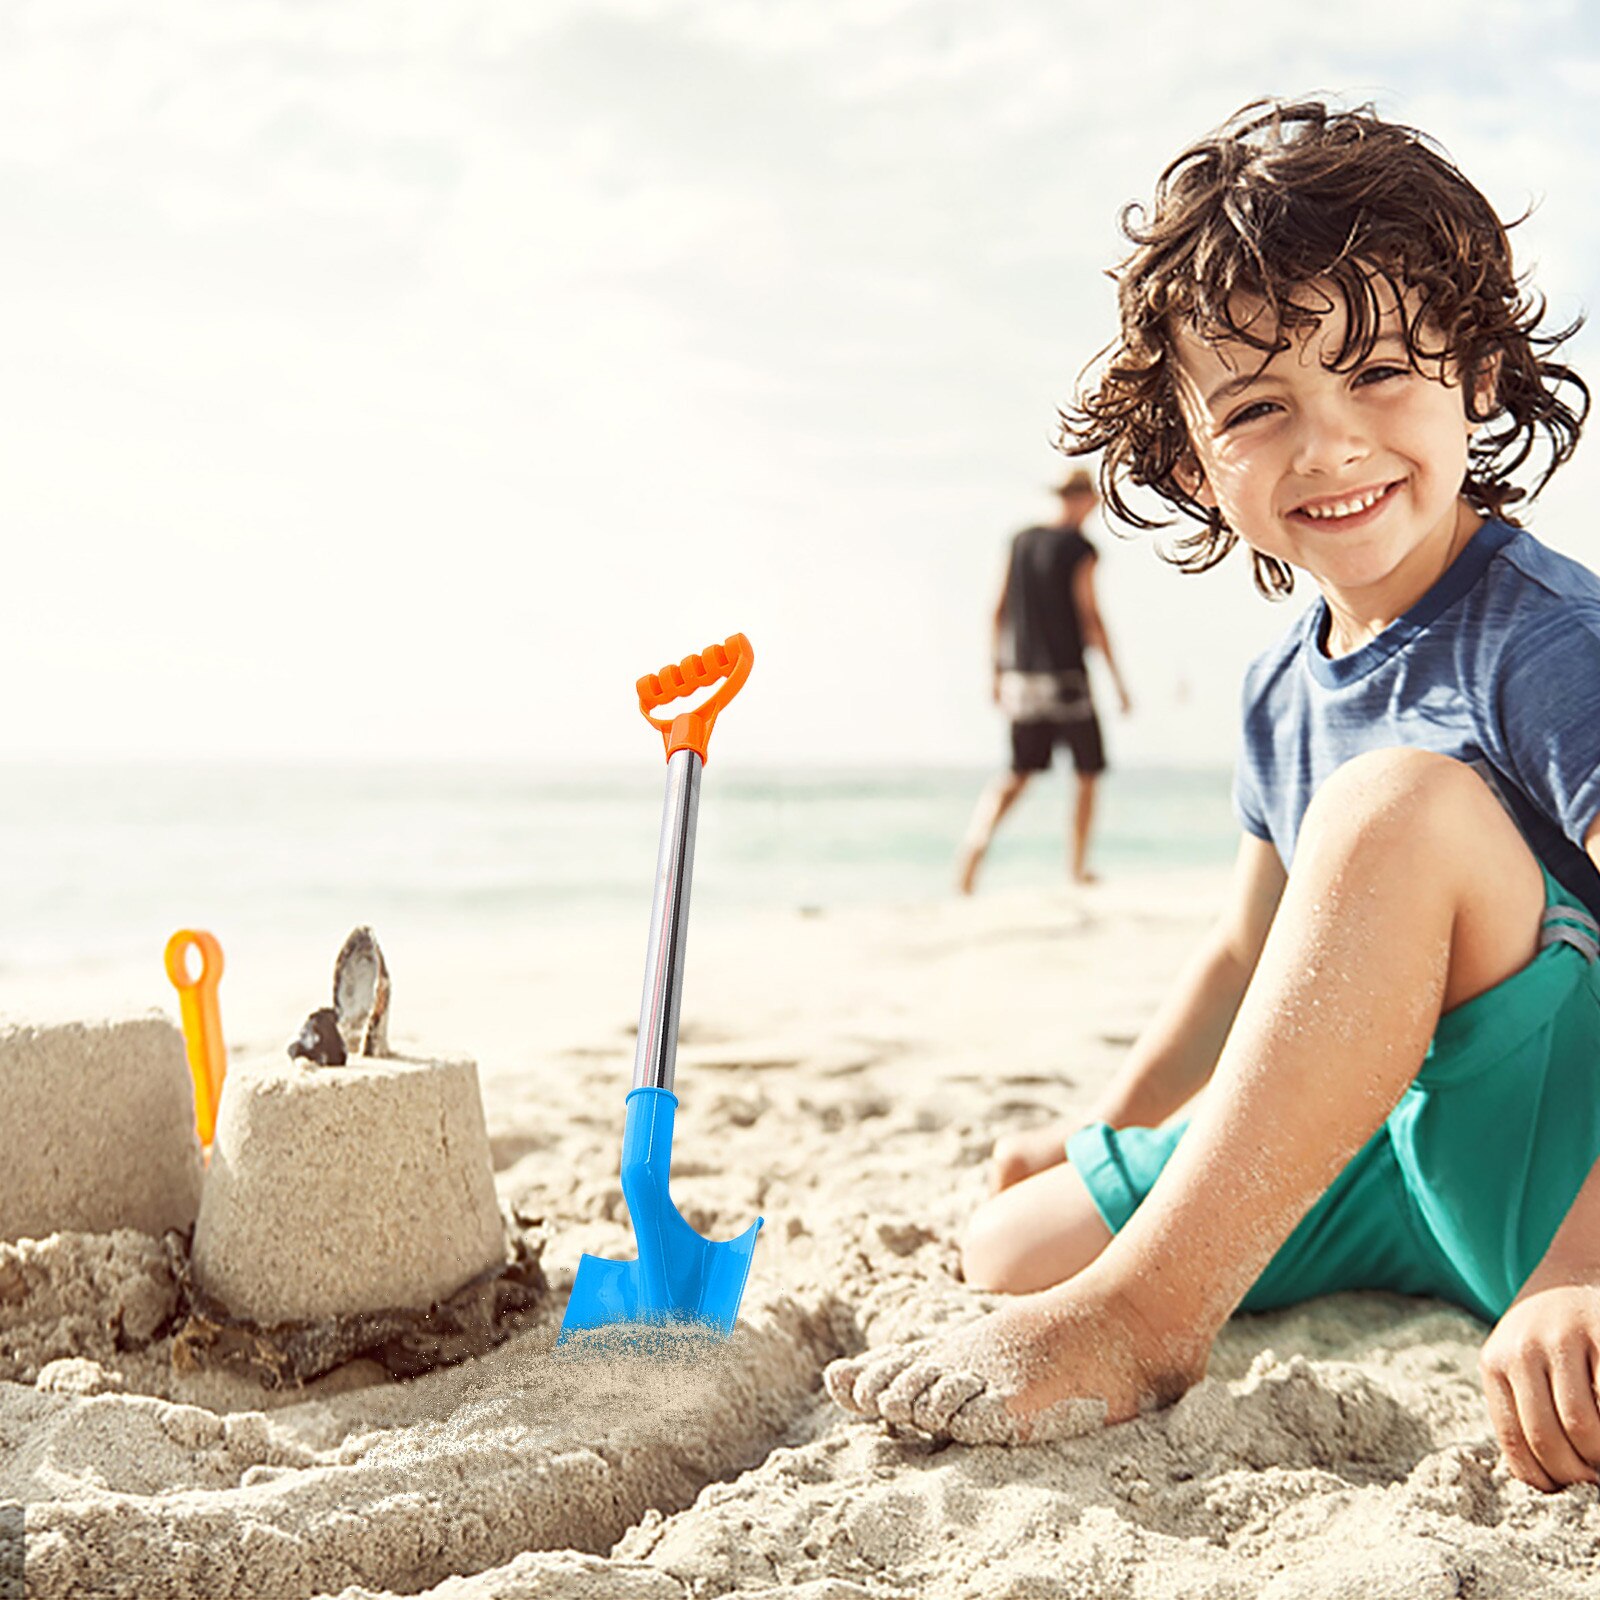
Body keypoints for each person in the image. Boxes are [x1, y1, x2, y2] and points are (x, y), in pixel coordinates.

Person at [826, 99, 1600, 1491]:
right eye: (1258, 408)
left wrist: (1581, 1267)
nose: (1331, 445)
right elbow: (1250, 957)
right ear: (1192, 463)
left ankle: (1144, 1324)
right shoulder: (1278, 688)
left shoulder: (1549, 641)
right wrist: (1109, 1130)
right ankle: (1155, 1268)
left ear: (1479, 373)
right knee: (1012, 1242)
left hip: (1561, 1155)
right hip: (1407, 1158)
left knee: (1392, 811)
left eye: (1376, 376)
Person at [956, 470, 1132, 892]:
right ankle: (1076, 867)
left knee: (1017, 772)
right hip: (1067, 676)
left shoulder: (1021, 541)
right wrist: (1117, 681)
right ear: (1085, 499)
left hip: (1021, 677)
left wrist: (996, 672)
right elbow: (1090, 616)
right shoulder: (1080, 549)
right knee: (1087, 772)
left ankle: (974, 849)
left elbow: (997, 609)